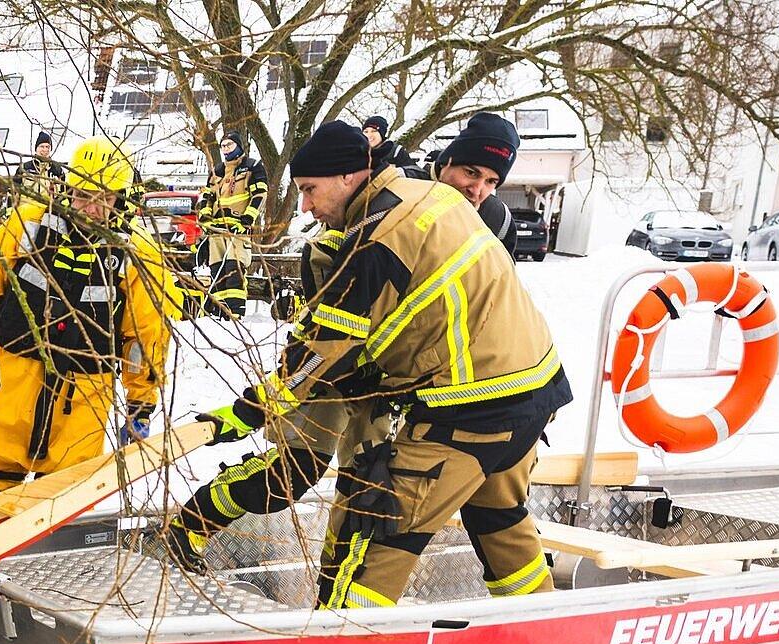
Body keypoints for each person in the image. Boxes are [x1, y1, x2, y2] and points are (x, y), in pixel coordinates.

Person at [163, 121, 571, 610]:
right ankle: (537, 628)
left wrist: (252, 409)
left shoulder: (381, 232)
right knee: (500, 522)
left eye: (310, 191)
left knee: (374, 534)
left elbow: (327, 343)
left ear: (349, 177)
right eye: (470, 173)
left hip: (460, 406)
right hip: (528, 392)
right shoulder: (427, 198)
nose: (306, 206)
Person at [0, 137, 179, 501]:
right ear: (67, 187)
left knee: (63, 496)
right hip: (13, 378)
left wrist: (140, 404)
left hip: (83, 393)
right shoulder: (28, 223)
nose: (90, 209)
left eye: (103, 200)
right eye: (82, 195)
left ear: (121, 200)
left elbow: (146, 336)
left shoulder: (138, 254)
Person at [195, 129, 266, 320]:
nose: (226, 149)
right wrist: (205, 218)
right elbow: (206, 197)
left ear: (239, 146)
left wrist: (247, 220)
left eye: (230, 145)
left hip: (237, 230)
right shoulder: (217, 171)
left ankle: (235, 314)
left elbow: (259, 195)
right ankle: (218, 314)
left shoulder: (252, 167)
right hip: (216, 231)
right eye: (223, 145)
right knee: (217, 273)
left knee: (234, 271)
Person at [428, 112, 519, 253]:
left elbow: (502, 274)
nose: (476, 190)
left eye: (490, 181)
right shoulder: (402, 188)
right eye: (471, 173)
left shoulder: (498, 218)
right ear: (448, 162)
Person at [17, 131, 61, 199]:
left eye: (47, 147)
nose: (45, 149)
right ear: (36, 149)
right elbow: (14, 191)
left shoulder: (57, 169)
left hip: (51, 208)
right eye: (42, 146)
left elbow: (63, 194)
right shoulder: (24, 168)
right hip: (29, 208)